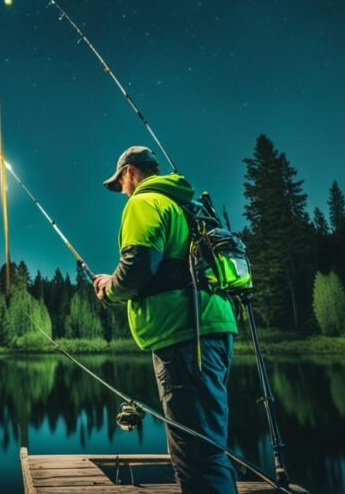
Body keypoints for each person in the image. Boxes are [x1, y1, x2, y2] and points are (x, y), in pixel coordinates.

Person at [93, 145, 239, 494]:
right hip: (213, 327)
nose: (123, 191)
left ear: (130, 172)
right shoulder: (185, 206)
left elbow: (138, 267)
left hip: (184, 333)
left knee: (194, 453)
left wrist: (108, 288)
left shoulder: (144, 203)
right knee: (208, 442)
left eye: (121, 182)